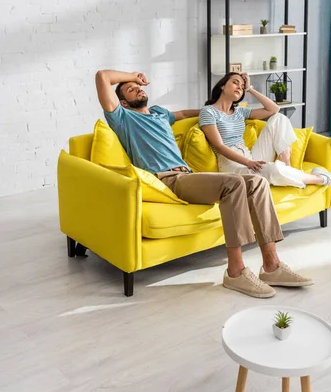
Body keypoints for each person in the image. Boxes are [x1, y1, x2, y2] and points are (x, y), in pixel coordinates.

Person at [95, 68, 315, 299]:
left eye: (138, 86)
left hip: (189, 175)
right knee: (234, 184)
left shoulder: (159, 113)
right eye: (131, 89)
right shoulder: (122, 118)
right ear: (123, 103)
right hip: (169, 180)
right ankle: (235, 272)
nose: (138, 88)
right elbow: (102, 77)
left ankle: (272, 267)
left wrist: (215, 112)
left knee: (257, 183)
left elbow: (181, 114)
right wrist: (132, 76)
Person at [199, 72, 331, 188]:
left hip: (249, 155)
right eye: (235, 82)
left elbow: (274, 109)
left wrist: (250, 88)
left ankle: (287, 167)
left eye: (241, 85)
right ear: (222, 86)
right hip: (231, 164)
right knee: (274, 170)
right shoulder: (208, 112)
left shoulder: (239, 112)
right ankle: (322, 179)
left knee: (279, 118)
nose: (239, 86)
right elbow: (219, 146)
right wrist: (248, 162)